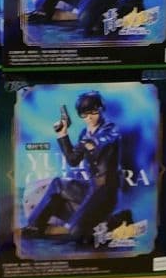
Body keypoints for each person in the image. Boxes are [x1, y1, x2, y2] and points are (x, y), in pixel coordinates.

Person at [22, 91, 124, 245]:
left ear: (101, 109)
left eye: (93, 112)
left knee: (76, 233)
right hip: (91, 188)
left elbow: (105, 140)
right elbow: (72, 160)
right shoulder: (84, 133)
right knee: (58, 184)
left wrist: (90, 142)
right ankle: (34, 226)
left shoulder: (111, 128)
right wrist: (62, 134)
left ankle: (116, 219)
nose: (89, 117)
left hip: (107, 192)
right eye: (84, 114)